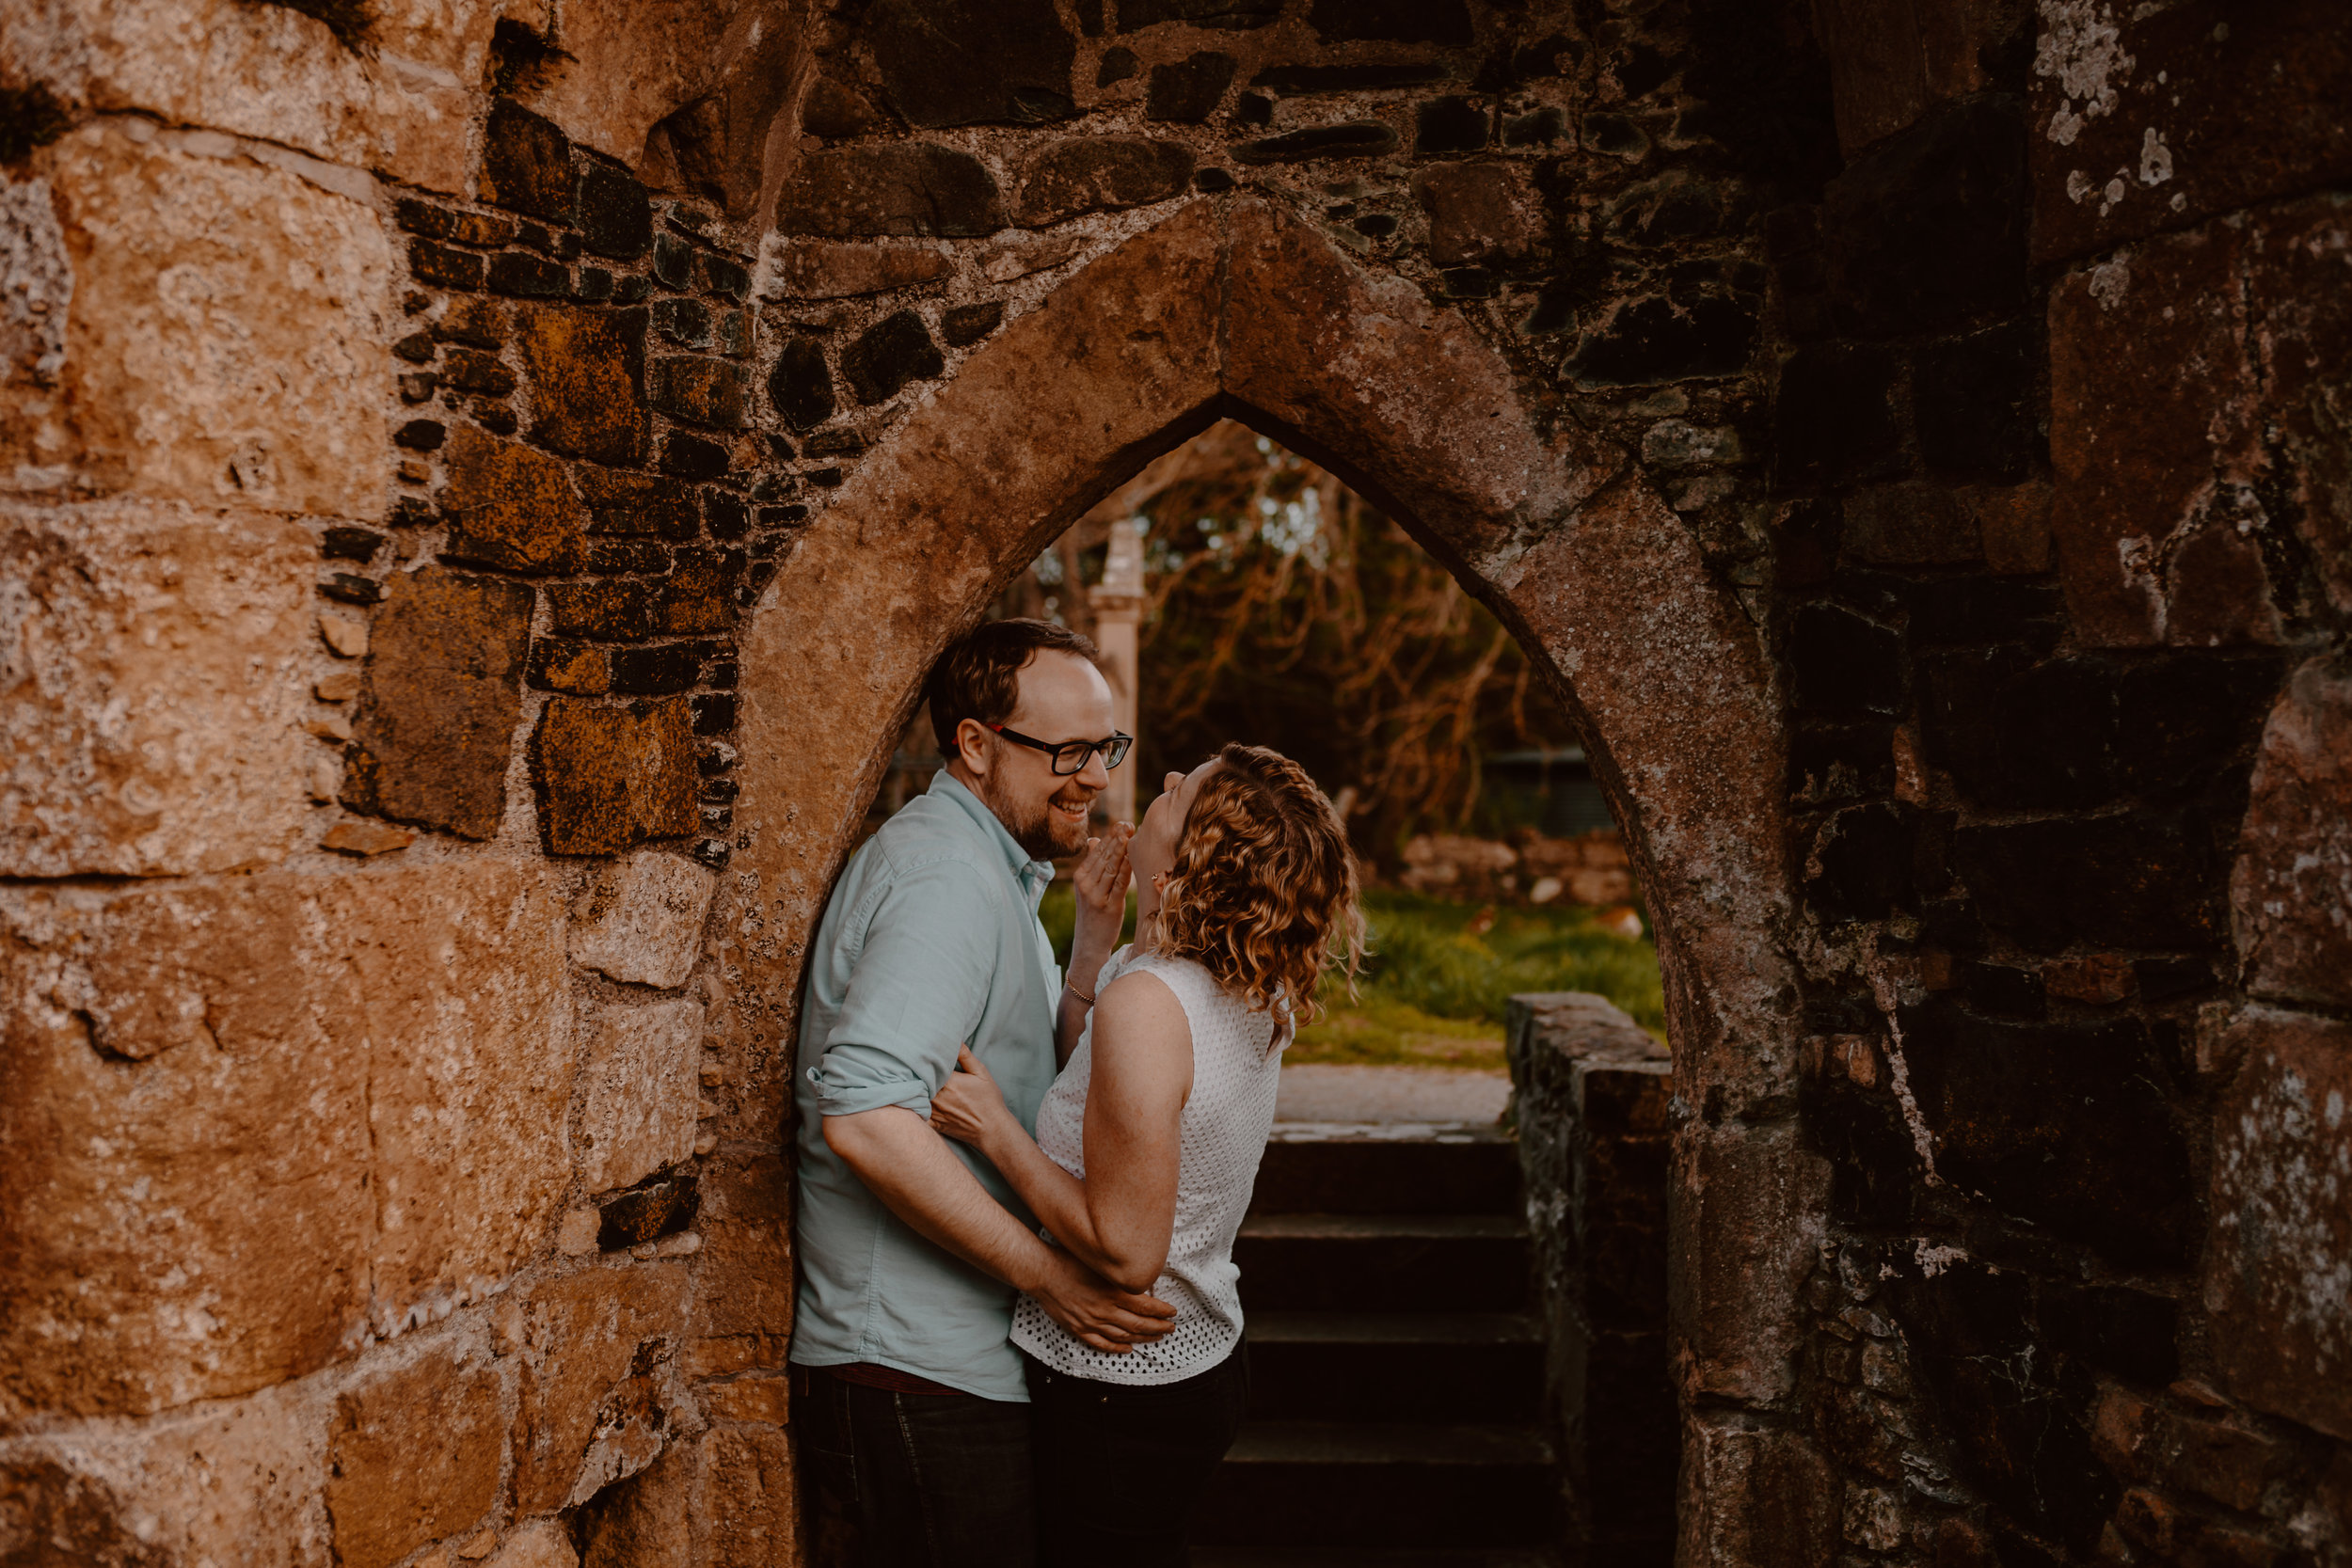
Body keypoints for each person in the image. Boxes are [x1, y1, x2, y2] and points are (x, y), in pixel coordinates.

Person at [788, 617, 1176, 1568]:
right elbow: (867, 1116)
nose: (1095, 774)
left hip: (956, 1369)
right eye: (1070, 750)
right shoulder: (944, 878)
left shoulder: (993, 873)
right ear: (974, 742)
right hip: (912, 1372)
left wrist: (1090, 940)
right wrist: (1053, 1278)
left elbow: (1031, 1072)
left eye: (1106, 745)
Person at [929, 742, 1365, 1567]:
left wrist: (995, 1133)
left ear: (1187, 866)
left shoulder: (1152, 1003)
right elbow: (1094, 1090)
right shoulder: (1226, 970)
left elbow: (1129, 1254)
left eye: (1180, 794)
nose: (1162, 782)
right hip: (1193, 1362)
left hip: (1120, 1389)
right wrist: (1099, 935)